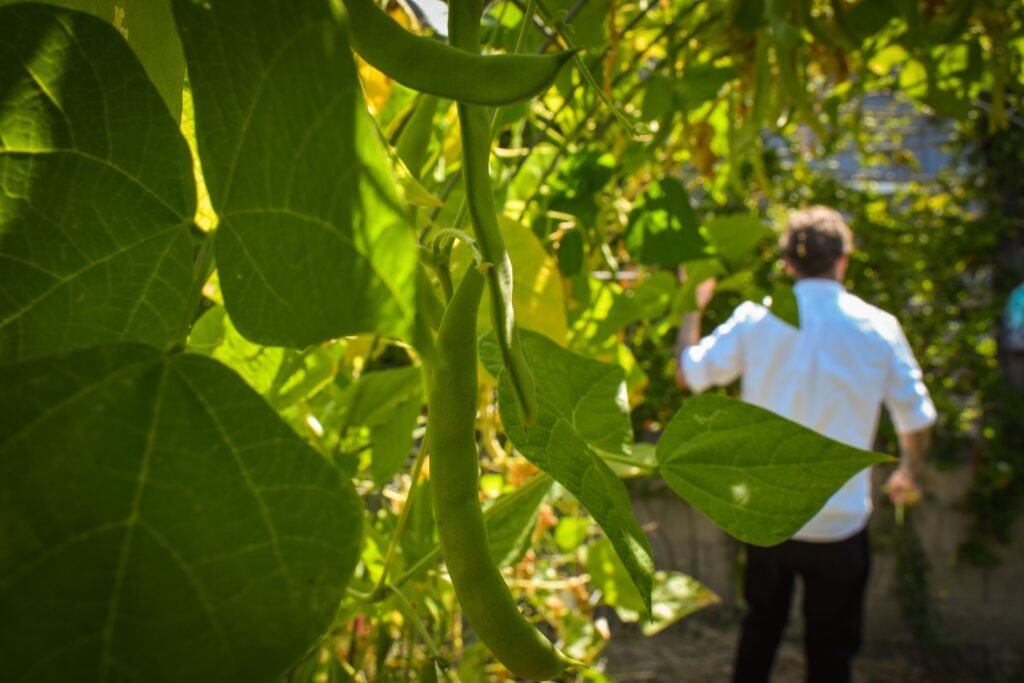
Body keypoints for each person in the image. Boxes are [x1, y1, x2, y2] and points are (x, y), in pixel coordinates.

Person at [673, 206, 937, 683]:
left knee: (759, 631)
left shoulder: (757, 318)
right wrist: (910, 472)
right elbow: (915, 417)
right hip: (841, 520)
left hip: (767, 517)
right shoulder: (878, 327)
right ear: (844, 260)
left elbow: (689, 372)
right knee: (831, 651)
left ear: (788, 265)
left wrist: (692, 304)